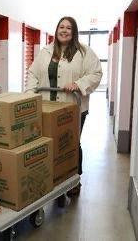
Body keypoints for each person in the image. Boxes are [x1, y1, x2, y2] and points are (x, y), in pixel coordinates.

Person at [25, 16, 102, 195]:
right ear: (56, 29)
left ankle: (74, 178)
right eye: (61, 27)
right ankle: (52, 177)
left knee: (71, 143)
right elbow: (33, 73)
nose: (64, 30)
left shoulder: (84, 52)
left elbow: (96, 74)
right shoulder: (45, 51)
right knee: (49, 143)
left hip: (72, 108)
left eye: (69, 28)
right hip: (47, 107)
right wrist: (30, 93)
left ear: (74, 32)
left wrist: (79, 84)